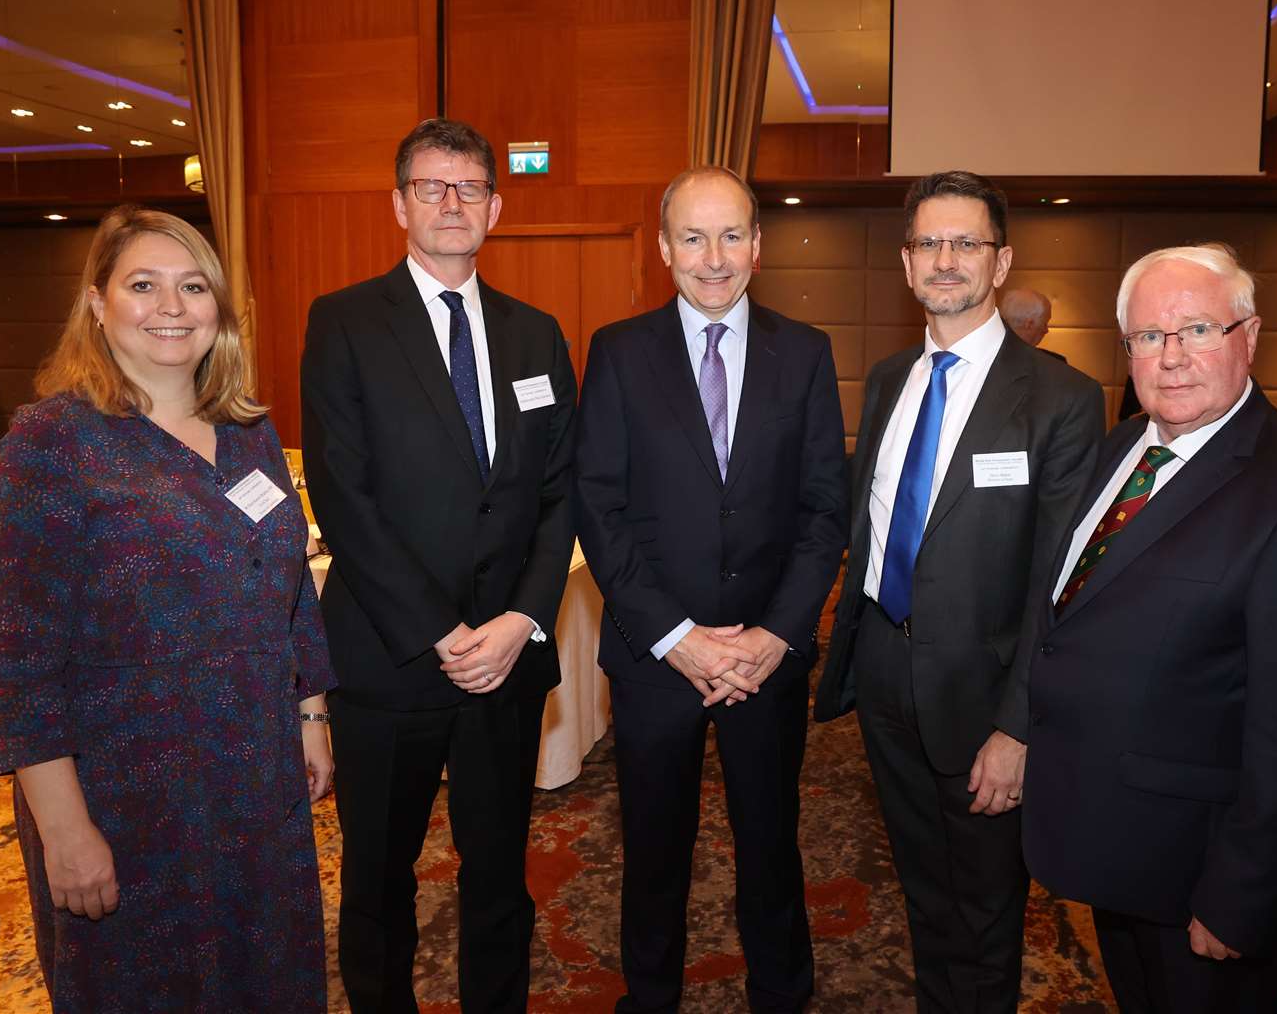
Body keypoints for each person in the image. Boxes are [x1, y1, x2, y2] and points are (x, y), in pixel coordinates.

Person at [0, 205, 335, 1012]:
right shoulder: (48, 446)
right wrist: (66, 833)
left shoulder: (249, 431)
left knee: (266, 976)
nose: (173, 306)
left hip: (253, 772)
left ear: (218, 309)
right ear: (98, 303)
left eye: (193, 286)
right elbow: (19, 665)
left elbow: (290, 582)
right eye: (144, 285)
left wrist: (310, 714)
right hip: (127, 791)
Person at [1023, 243, 1277, 1013]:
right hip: (1118, 848)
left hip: (1204, 877)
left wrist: (1242, 894)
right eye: (1149, 337)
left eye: (1198, 331)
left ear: (1249, 336)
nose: (1172, 356)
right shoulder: (1127, 447)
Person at [300, 117, 576, 1013]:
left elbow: (558, 496)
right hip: (391, 657)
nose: (452, 204)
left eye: (469, 189)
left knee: (500, 877)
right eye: (432, 187)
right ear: (399, 204)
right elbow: (345, 499)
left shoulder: (538, 336)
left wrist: (522, 619)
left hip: (507, 659)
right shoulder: (343, 322)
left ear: (496, 208)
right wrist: (441, 631)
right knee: (379, 881)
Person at [814, 171, 1104, 1013]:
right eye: (930, 244)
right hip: (884, 678)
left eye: (966, 243)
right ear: (906, 265)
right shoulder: (888, 379)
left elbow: (1063, 585)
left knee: (984, 911)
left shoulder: (1061, 400)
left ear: (1001, 260)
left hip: (984, 705)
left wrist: (1019, 727)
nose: (947, 261)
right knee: (922, 892)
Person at [573, 165, 849, 1012]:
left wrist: (775, 636)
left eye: (732, 235)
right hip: (657, 659)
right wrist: (677, 637)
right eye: (694, 236)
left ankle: (783, 994)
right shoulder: (619, 352)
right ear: (664, 249)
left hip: (768, 657)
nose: (714, 256)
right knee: (654, 852)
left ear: (759, 248)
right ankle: (649, 999)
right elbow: (600, 506)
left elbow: (823, 511)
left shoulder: (804, 353)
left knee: (771, 847)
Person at [996, 287, 1060, 358]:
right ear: (1029, 324)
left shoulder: (987, 354)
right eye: (1044, 323)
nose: (1046, 330)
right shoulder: (1053, 364)